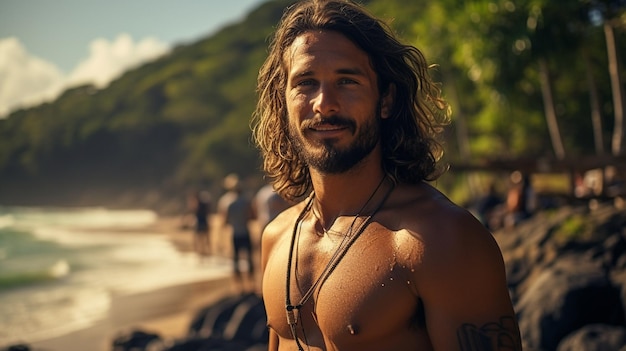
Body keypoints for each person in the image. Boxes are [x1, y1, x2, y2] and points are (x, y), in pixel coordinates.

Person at [251, 1, 522, 350]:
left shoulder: (439, 240)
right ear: (283, 99)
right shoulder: (277, 237)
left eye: (347, 81)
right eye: (306, 83)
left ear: (386, 100)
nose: (324, 104)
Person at [217, 174, 256, 292]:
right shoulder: (246, 200)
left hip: (235, 233)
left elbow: (224, 221)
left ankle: (239, 286)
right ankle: (251, 284)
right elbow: (252, 216)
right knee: (249, 259)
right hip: (245, 231)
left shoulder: (226, 201)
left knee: (235, 260)